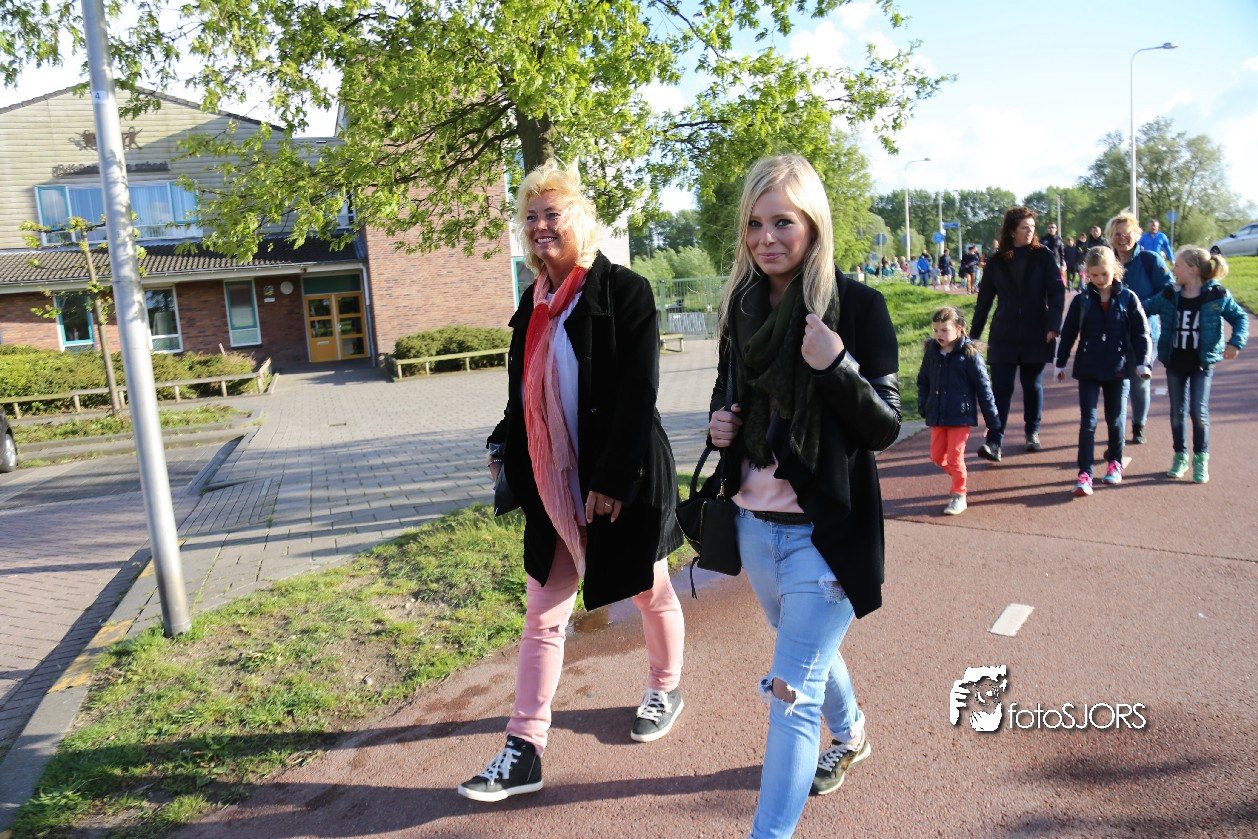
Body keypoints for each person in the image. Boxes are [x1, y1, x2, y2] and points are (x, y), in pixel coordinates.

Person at [461, 160, 686, 802]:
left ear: (579, 220)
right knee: (542, 614)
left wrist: (612, 478)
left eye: (551, 213)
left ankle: (664, 687)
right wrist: (502, 442)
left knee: (647, 588)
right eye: (530, 216)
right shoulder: (531, 305)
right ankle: (525, 746)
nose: (539, 226)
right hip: (552, 483)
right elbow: (520, 396)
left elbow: (638, 394)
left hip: (621, 478)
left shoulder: (625, 291)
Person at [706, 154, 900, 837]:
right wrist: (719, 424)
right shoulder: (740, 308)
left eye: (783, 222)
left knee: (791, 696)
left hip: (826, 535)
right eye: (755, 224)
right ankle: (852, 732)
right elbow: (727, 394)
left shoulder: (859, 307)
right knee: (808, 658)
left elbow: (885, 426)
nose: (767, 238)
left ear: (813, 223)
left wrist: (837, 365)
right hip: (755, 526)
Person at [1141, 246, 1248, 483]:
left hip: (1202, 363)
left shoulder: (1217, 294)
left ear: (1193, 269)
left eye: (1177, 266)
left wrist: (1235, 343)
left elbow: (1240, 318)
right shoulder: (1169, 294)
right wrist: (1122, 306)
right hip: (1175, 362)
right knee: (1177, 413)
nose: (1173, 270)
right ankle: (1180, 456)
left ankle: (1201, 458)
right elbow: (1144, 308)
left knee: (1198, 412)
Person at [1054, 247, 1152, 496]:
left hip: (1118, 369)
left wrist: (1144, 362)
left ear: (1115, 270)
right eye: (1094, 275)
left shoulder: (1128, 298)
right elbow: (1068, 333)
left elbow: (1141, 333)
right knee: (1088, 422)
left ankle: (1115, 463)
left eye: (1104, 274)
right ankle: (1085, 474)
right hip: (1088, 367)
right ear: (1087, 273)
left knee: (1115, 419)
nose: (1099, 279)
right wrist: (1060, 362)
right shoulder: (1082, 300)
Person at [970, 207, 1065, 461]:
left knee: (1032, 385)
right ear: (1012, 231)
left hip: (1036, 331)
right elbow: (984, 301)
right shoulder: (996, 261)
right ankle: (994, 441)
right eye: (1025, 227)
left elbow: (1056, 291)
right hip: (1004, 333)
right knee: (1000, 388)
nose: (1030, 231)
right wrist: (973, 337)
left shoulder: (1043, 256)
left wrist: (1054, 325)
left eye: (1032, 227)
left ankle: (1032, 432)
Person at [916, 306, 1001, 516]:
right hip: (938, 415)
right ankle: (958, 475)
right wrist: (923, 404)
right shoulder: (932, 353)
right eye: (936, 330)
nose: (939, 335)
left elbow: (984, 389)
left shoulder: (969, 355)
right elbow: (923, 381)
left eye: (944, 330)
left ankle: (959, 494)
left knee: (955, 458)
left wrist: (993, 422)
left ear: (959, 329)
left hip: (960, 416)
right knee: (937, 457)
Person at [1106, 212, 1173, 444]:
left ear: (1136, 235)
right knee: (1117, 384)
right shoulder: (1107, 261)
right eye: (1117, 234)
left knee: (1139, 383)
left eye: (1127, 233)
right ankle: (1117, 432)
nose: (1122, 238)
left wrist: (1141, 307)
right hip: (1113, 333)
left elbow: (1168, 291)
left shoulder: (1150, 260)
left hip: (1144, 333)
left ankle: (1139, 425)